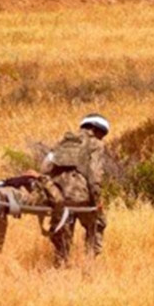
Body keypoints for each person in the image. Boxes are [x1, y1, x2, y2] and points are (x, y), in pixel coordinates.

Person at [40, 113, 110, 267]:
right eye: (102, 133)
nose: (102, 137)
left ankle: (60, 266)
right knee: (97, 225)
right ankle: (89, 265)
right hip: (82, 198)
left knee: (62, 234)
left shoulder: (63, 143)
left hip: (58, 197)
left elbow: (44, 169)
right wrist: (97, 201)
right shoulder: (96, 144)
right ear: (96, 130)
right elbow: (95, 176)